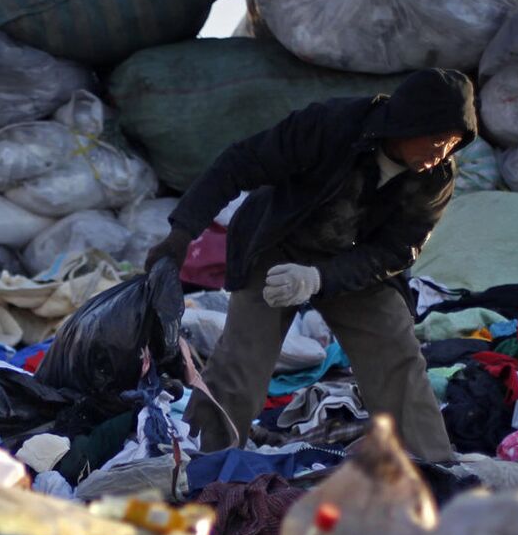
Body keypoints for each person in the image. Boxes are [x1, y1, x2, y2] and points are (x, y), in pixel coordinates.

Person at [147, 67, 474, 462]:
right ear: (406, 123)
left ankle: (431, 464)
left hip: (352, 262)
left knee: (396, 351)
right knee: (242, 360)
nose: (440, 153)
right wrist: (181, 234)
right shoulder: (332, 126)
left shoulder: (436, 177)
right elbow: (238, 164)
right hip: (276, 240)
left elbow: (395, 251)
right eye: (436, 140)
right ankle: (200, 460)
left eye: (452, 145)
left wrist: (319, 278)